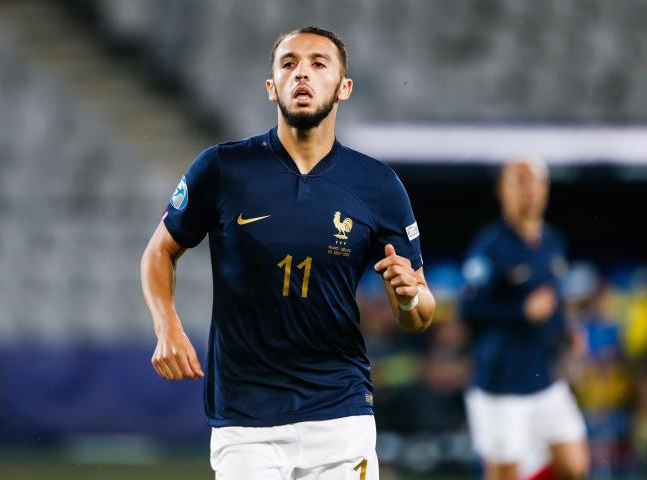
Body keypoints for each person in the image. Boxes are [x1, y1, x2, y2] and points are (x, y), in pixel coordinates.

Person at [140, 26, 435, 479]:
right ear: (271, 86)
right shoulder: (223, 168)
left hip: (340, 412)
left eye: (318, 64)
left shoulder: (378, 186)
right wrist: (167, 326)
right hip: (245, 419)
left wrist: (410, 297)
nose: (302, 73)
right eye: (289, 63)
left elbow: (419, 314)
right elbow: (159, 251)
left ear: (344, 87)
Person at [460, 158, 590, 480]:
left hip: (545, 379)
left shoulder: (552, 241)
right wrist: (520, 311)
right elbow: (469, 310)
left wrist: (567, 332)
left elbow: (552, 301)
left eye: (535, 181)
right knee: (504, 474)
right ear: (502, 190)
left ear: (545, 189)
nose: (529, 189)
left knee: (574, 465)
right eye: (520, 181)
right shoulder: (490, 247)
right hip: (501, 386)